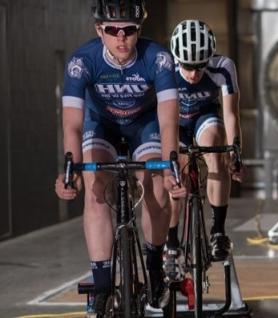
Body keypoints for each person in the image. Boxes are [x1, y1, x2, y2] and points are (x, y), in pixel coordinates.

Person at [54, 0, 185, 315]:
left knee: (155, 187)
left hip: (145, 125)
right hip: (102, 125)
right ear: (100, 30)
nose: (121, 37)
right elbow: (72, 123)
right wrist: (69, 169)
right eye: (112, 30)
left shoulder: (160, 59)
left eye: (129, 30)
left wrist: (171, 167)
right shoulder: (82, 61)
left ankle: (154, 270)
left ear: (139, 29)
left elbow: (169, 121)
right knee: (96, 190)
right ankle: (102, 288)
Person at [163, 19, 244, 282]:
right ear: (177, 59)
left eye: (199, 66)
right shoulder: (164, 68)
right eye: (187, 66)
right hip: (174, 121)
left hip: (203, 118)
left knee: (215, 147)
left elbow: (231, 114)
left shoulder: (223, 67)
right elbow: (159, 117)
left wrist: (235, 152)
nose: (194, 74)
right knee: (177, 178)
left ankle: (218, 232)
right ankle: (172, 242)